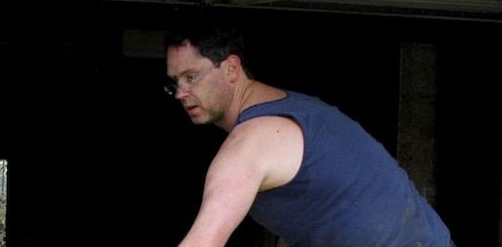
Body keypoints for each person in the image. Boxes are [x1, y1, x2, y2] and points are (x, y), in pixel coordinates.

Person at [163, 19, 455, 247]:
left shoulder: (249, 145)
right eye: (175, 82)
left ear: (231, 68)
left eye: (192, 77)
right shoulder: (305, 110)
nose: (181, 93)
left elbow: (203, 241)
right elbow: (313, 216)